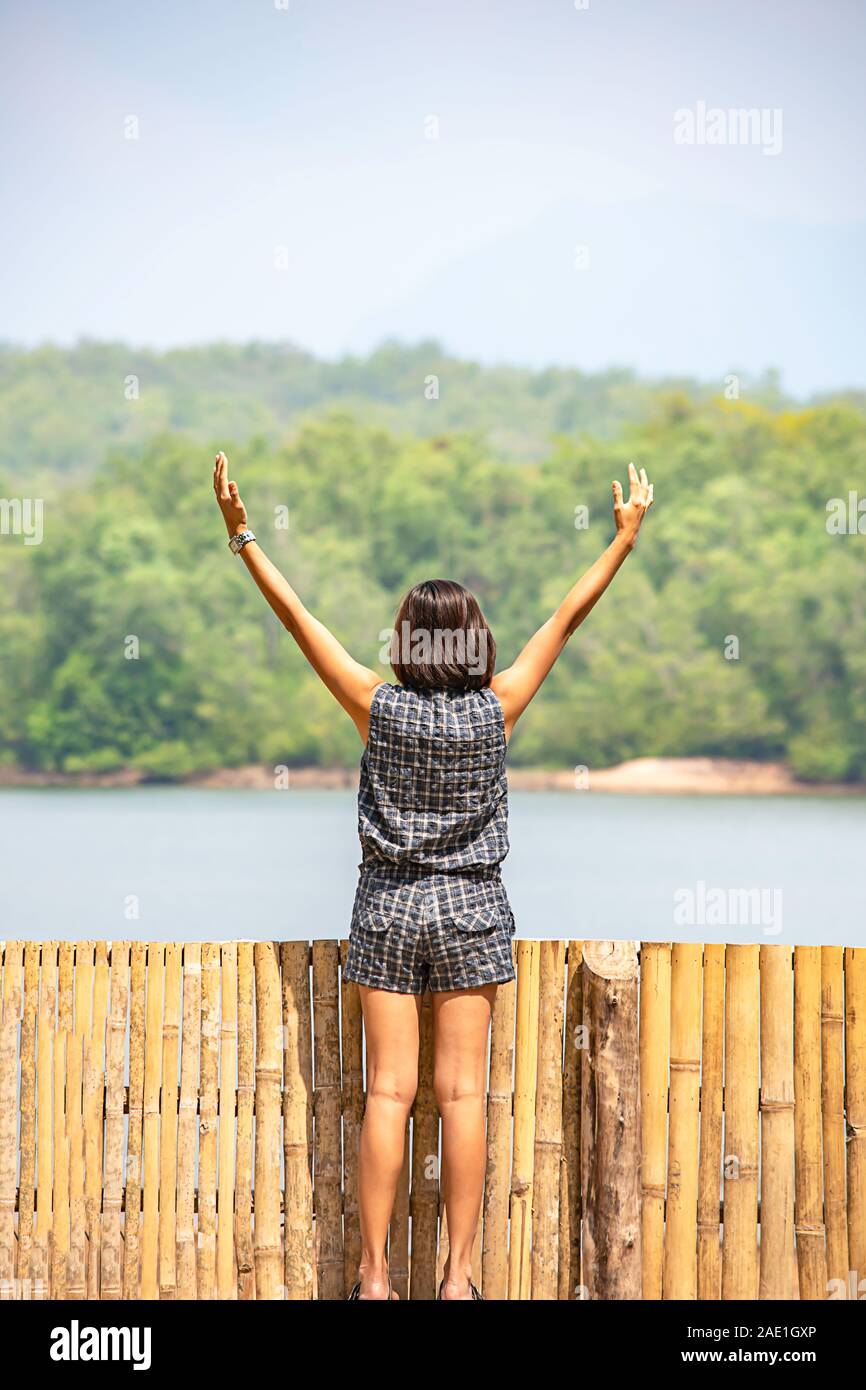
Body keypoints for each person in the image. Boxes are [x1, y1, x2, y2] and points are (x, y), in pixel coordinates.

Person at [212, 450, 654, 1300]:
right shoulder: (502, 706)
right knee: (459, 1098)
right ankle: (456, 1280)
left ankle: (374, 1280)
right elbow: (567, 615)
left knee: (387, 1094)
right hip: (472, 912)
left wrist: (243, 535)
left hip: (386, 907)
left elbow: (297, 616)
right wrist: (623, 543)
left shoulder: (374, 704)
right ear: (477, 637)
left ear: (406, 640)